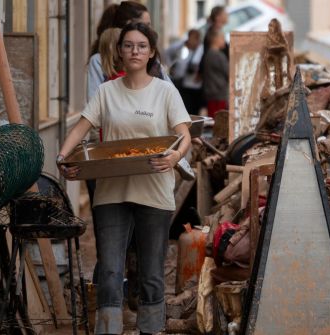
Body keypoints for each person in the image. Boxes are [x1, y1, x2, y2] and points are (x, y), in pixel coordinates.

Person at [58, 23, 191, 335]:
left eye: (142, 46)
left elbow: (183, 135)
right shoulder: (107, 92)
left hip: (155, 192)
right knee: (110, 270)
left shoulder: (165, 91)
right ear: (119, 51)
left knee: (151, 273)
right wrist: (63, 157)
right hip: (110, 193)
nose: (135, 51)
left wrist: (174, 156)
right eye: (128, 45)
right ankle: (108, 330)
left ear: (152, 53)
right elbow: (81, 126)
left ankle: (151, 329)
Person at [170, 29, 204, 115]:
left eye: (192, 39)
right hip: (185, 84)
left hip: (195, 86)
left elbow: (196, 65)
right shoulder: (185, 48)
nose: (190, 41)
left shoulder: (201, 49)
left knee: (193, 111)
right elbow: (169, 52)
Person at [202, 28, 229, 118]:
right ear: (215, 39)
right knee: (218, 120)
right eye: (222, 38)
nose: (224, 41)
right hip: (219, 94)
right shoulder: (218, 55)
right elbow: (228, 73)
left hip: (210, 93)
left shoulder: (208, 54)